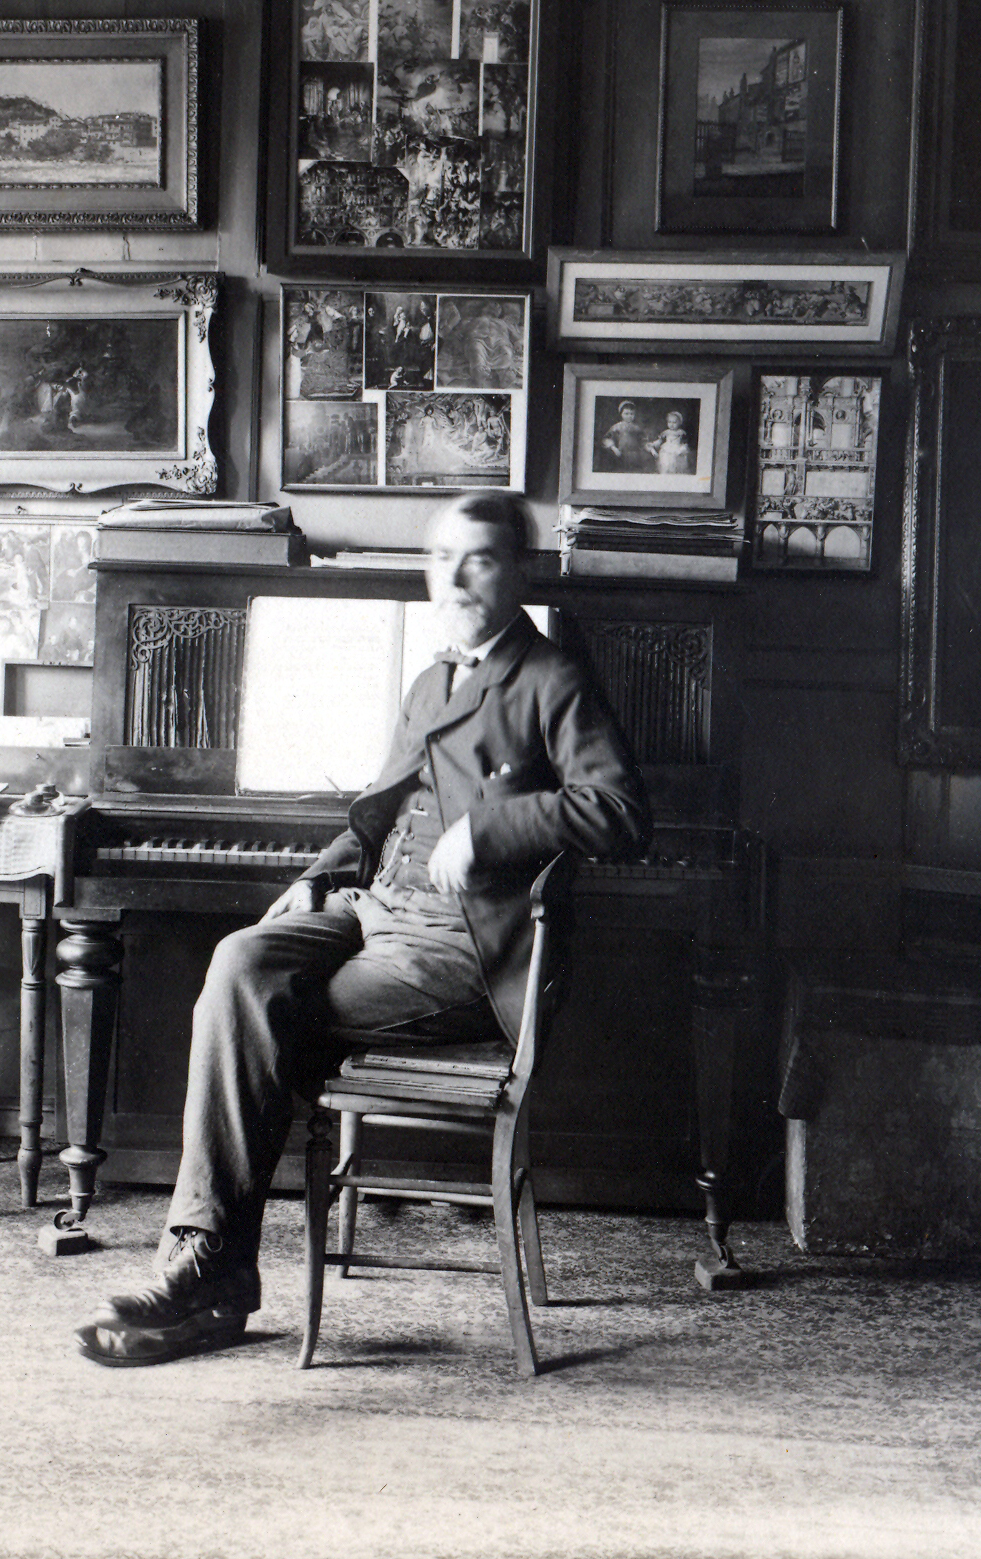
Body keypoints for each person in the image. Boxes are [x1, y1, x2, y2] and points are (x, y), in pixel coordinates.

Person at [79, 492, 650, 1367]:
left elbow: (617, 810)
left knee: (265, 1019)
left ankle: (206, 1268)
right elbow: (381, 816)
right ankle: (210, 1263)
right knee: (241, 961)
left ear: (519, 571)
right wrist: (311, 886)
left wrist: (490, 831)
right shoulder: (431, 681)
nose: (454, 579)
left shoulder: (551, 677)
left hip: (460, 945)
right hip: (374, 907)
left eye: (481, 558)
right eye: (440, 559)